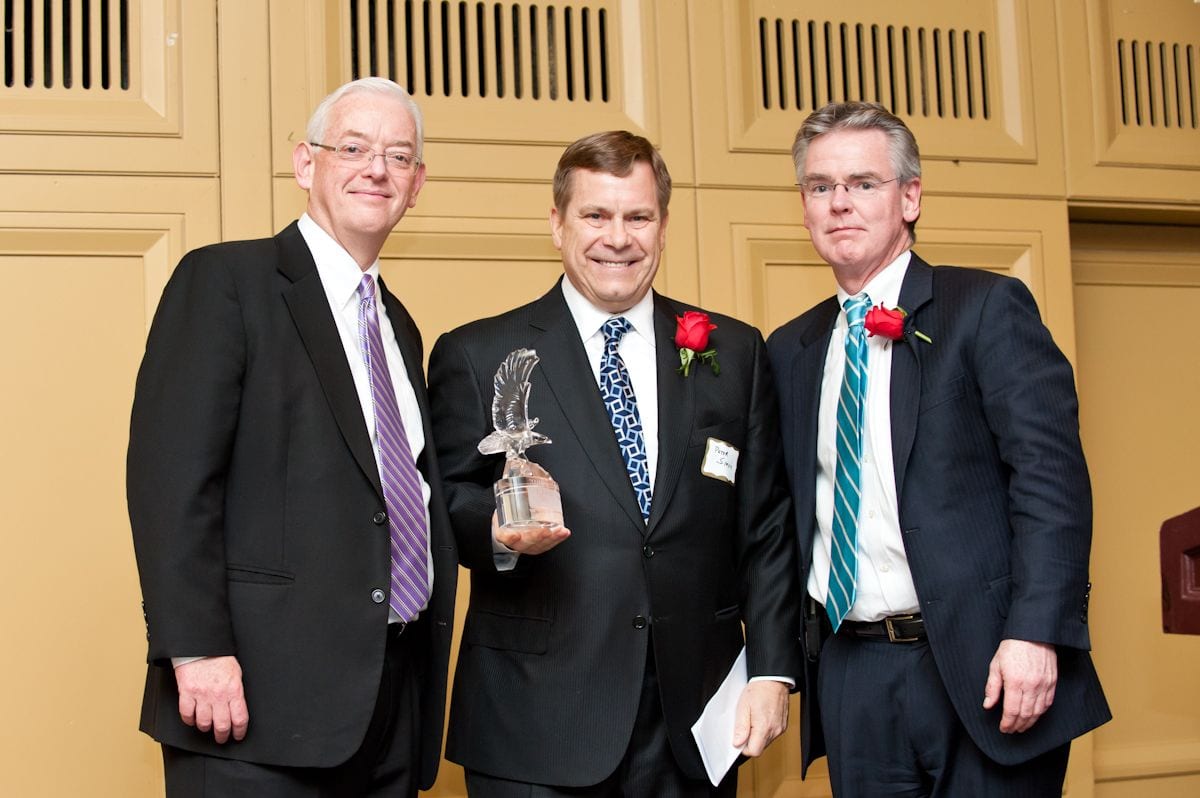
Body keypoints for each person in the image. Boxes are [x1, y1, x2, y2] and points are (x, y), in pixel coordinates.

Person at [428, 130, 801, 797]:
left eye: (638, 217)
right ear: (556, 222)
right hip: (535, 721)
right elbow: (442, 504)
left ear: (662, 226)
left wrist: (773, 671)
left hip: (696, 725)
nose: (618, 238)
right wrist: (499, 526)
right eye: (595, 216)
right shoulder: (477, 354)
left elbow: (766, 529)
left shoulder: (732, 352)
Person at [767, 101, 1111, 796]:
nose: (840, 204)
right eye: (820, 187)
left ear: (910, 196)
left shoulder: (984, 308)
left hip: (988, 660)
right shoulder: (789, 350)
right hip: (851, 671)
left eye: (863, 183)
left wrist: (1037, 635)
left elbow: (1051, 483)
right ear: (804, 207)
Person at [127, 77, 457, 797]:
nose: (378, 168)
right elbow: (170, 483)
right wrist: (196, 650)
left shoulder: (398, 324)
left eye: (399, 156)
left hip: (388, 706)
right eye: (354, 147)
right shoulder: (225, 282)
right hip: (251, 711)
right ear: (306, 164)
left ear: (417, 184)